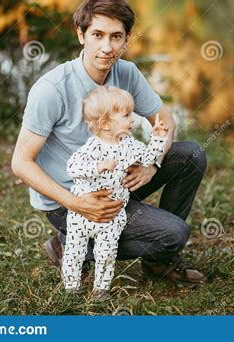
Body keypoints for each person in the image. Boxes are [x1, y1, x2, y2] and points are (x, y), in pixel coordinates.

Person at [11, 0, 207, 286]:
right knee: (174, 234)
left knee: (191, 155)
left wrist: (151, 165)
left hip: (117, 182)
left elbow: (166, 123)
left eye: (116, 37)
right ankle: (71, 245)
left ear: (126, 38)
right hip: (69, 199)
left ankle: (159, 263)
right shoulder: (51, 89)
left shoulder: (126, 73)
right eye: (97, 35)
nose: (107, 47)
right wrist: (77, 204)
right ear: (81, 35)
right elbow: (20, 162)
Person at [63, 85, 168, 296]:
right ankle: (71, 287)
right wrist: (98, 167)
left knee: (107, 252)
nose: (133, 120)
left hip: (112, 214)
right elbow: (72, 168)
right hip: (81, 213)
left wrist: (156, 139)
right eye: (126, 115)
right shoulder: (91, 148)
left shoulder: (130, 144)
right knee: (74, 250)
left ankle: (101, 289)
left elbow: (148, 159)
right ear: (105, 124)